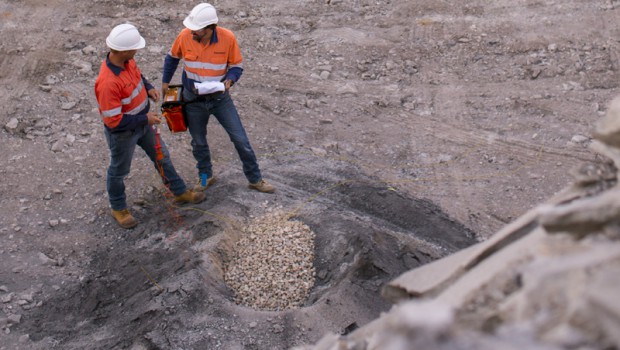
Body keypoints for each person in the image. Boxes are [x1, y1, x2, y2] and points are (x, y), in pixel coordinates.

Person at [95, 23, 205, 229]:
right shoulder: (108, 83)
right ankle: (118, 208)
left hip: (143, 122)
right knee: (119, 170)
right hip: (124, 133)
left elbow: (138, 76)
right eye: (135, 48)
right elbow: (113, 121)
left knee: (162, 155)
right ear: (125, 50)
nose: (137, 51)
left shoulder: (127, 62)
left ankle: (179, 191)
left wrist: (148, 88)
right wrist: (146, 119)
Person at [161, 3, 276, 194]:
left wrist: (230, 80)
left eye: (196, 30)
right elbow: (172, 58)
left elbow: (237, 66)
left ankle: (255, 179)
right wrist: (165, 82)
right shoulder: (184, 35)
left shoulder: (227, 38)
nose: (192, 32)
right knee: (198, 143)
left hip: (220, 99)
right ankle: (205, 177)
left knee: (240, 140)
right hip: (193, 101)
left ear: (210, 28)